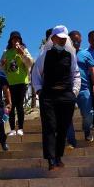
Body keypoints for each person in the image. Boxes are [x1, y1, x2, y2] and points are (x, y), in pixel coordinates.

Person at [31, 25, 80, 170]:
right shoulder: (44, 56)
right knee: (50, 126)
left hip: (66, 96)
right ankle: (51, 160)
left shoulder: (70, 56)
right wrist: (40, 91)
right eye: (60, 39)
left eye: (65, 39)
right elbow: (36, 75)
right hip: (48, 96)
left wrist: (74, 92)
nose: (63, 41)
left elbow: (76, 75)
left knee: (63, 128)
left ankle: (58, 156)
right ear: (53, 39)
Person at [0, 31, 33, 136]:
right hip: (10, 83)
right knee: (11, 105)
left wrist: (22, 53)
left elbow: (30, 62)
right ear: (11, 40)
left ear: (20, 40)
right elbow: (1, 67)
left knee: (19, 105)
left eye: (18, 39)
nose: (16, 41)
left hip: (22, 81)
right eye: (14, 39)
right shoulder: (6, 52)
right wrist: (2, 64)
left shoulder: (24, 50)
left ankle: (21, 128)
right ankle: (13, 129)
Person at [69, 30, 94, 142]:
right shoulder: (64, 53)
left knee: (88, 113)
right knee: (67, 116)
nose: (76, 43)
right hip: (68, 90)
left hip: (83, 89)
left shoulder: (86, 54)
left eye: (78, 41)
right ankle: (71, 140)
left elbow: (93, 69)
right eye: (74, 41)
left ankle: (87, 131)